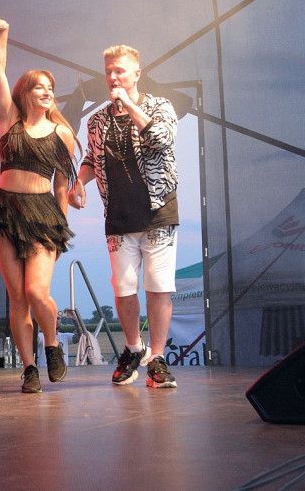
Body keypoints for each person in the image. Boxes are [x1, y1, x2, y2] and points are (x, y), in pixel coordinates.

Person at [0, 16, 78, 393]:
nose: (46, 92)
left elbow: (61, 186)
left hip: (44, 216)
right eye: (39, 87)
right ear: (25, 93)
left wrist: (61, 228)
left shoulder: (62, 133)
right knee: (17, 297)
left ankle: (52, 344)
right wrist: (3, 34)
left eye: (50, 88)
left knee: (36, 292)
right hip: (6, 211)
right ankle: (29, 368)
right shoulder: (10, 120)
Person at [68, 45, 179, 389]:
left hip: (158, 211)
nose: (113, 77)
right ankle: (133, 348)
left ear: (136, 73)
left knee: (158, 287)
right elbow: (91, 158)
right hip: (118, 214)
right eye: (109, 72)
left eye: (120, 70)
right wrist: (79, 183)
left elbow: (161, 139)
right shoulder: (97, 120)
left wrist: (129, 105)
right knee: (123, 287)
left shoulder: (160, 106)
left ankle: (157, 358)